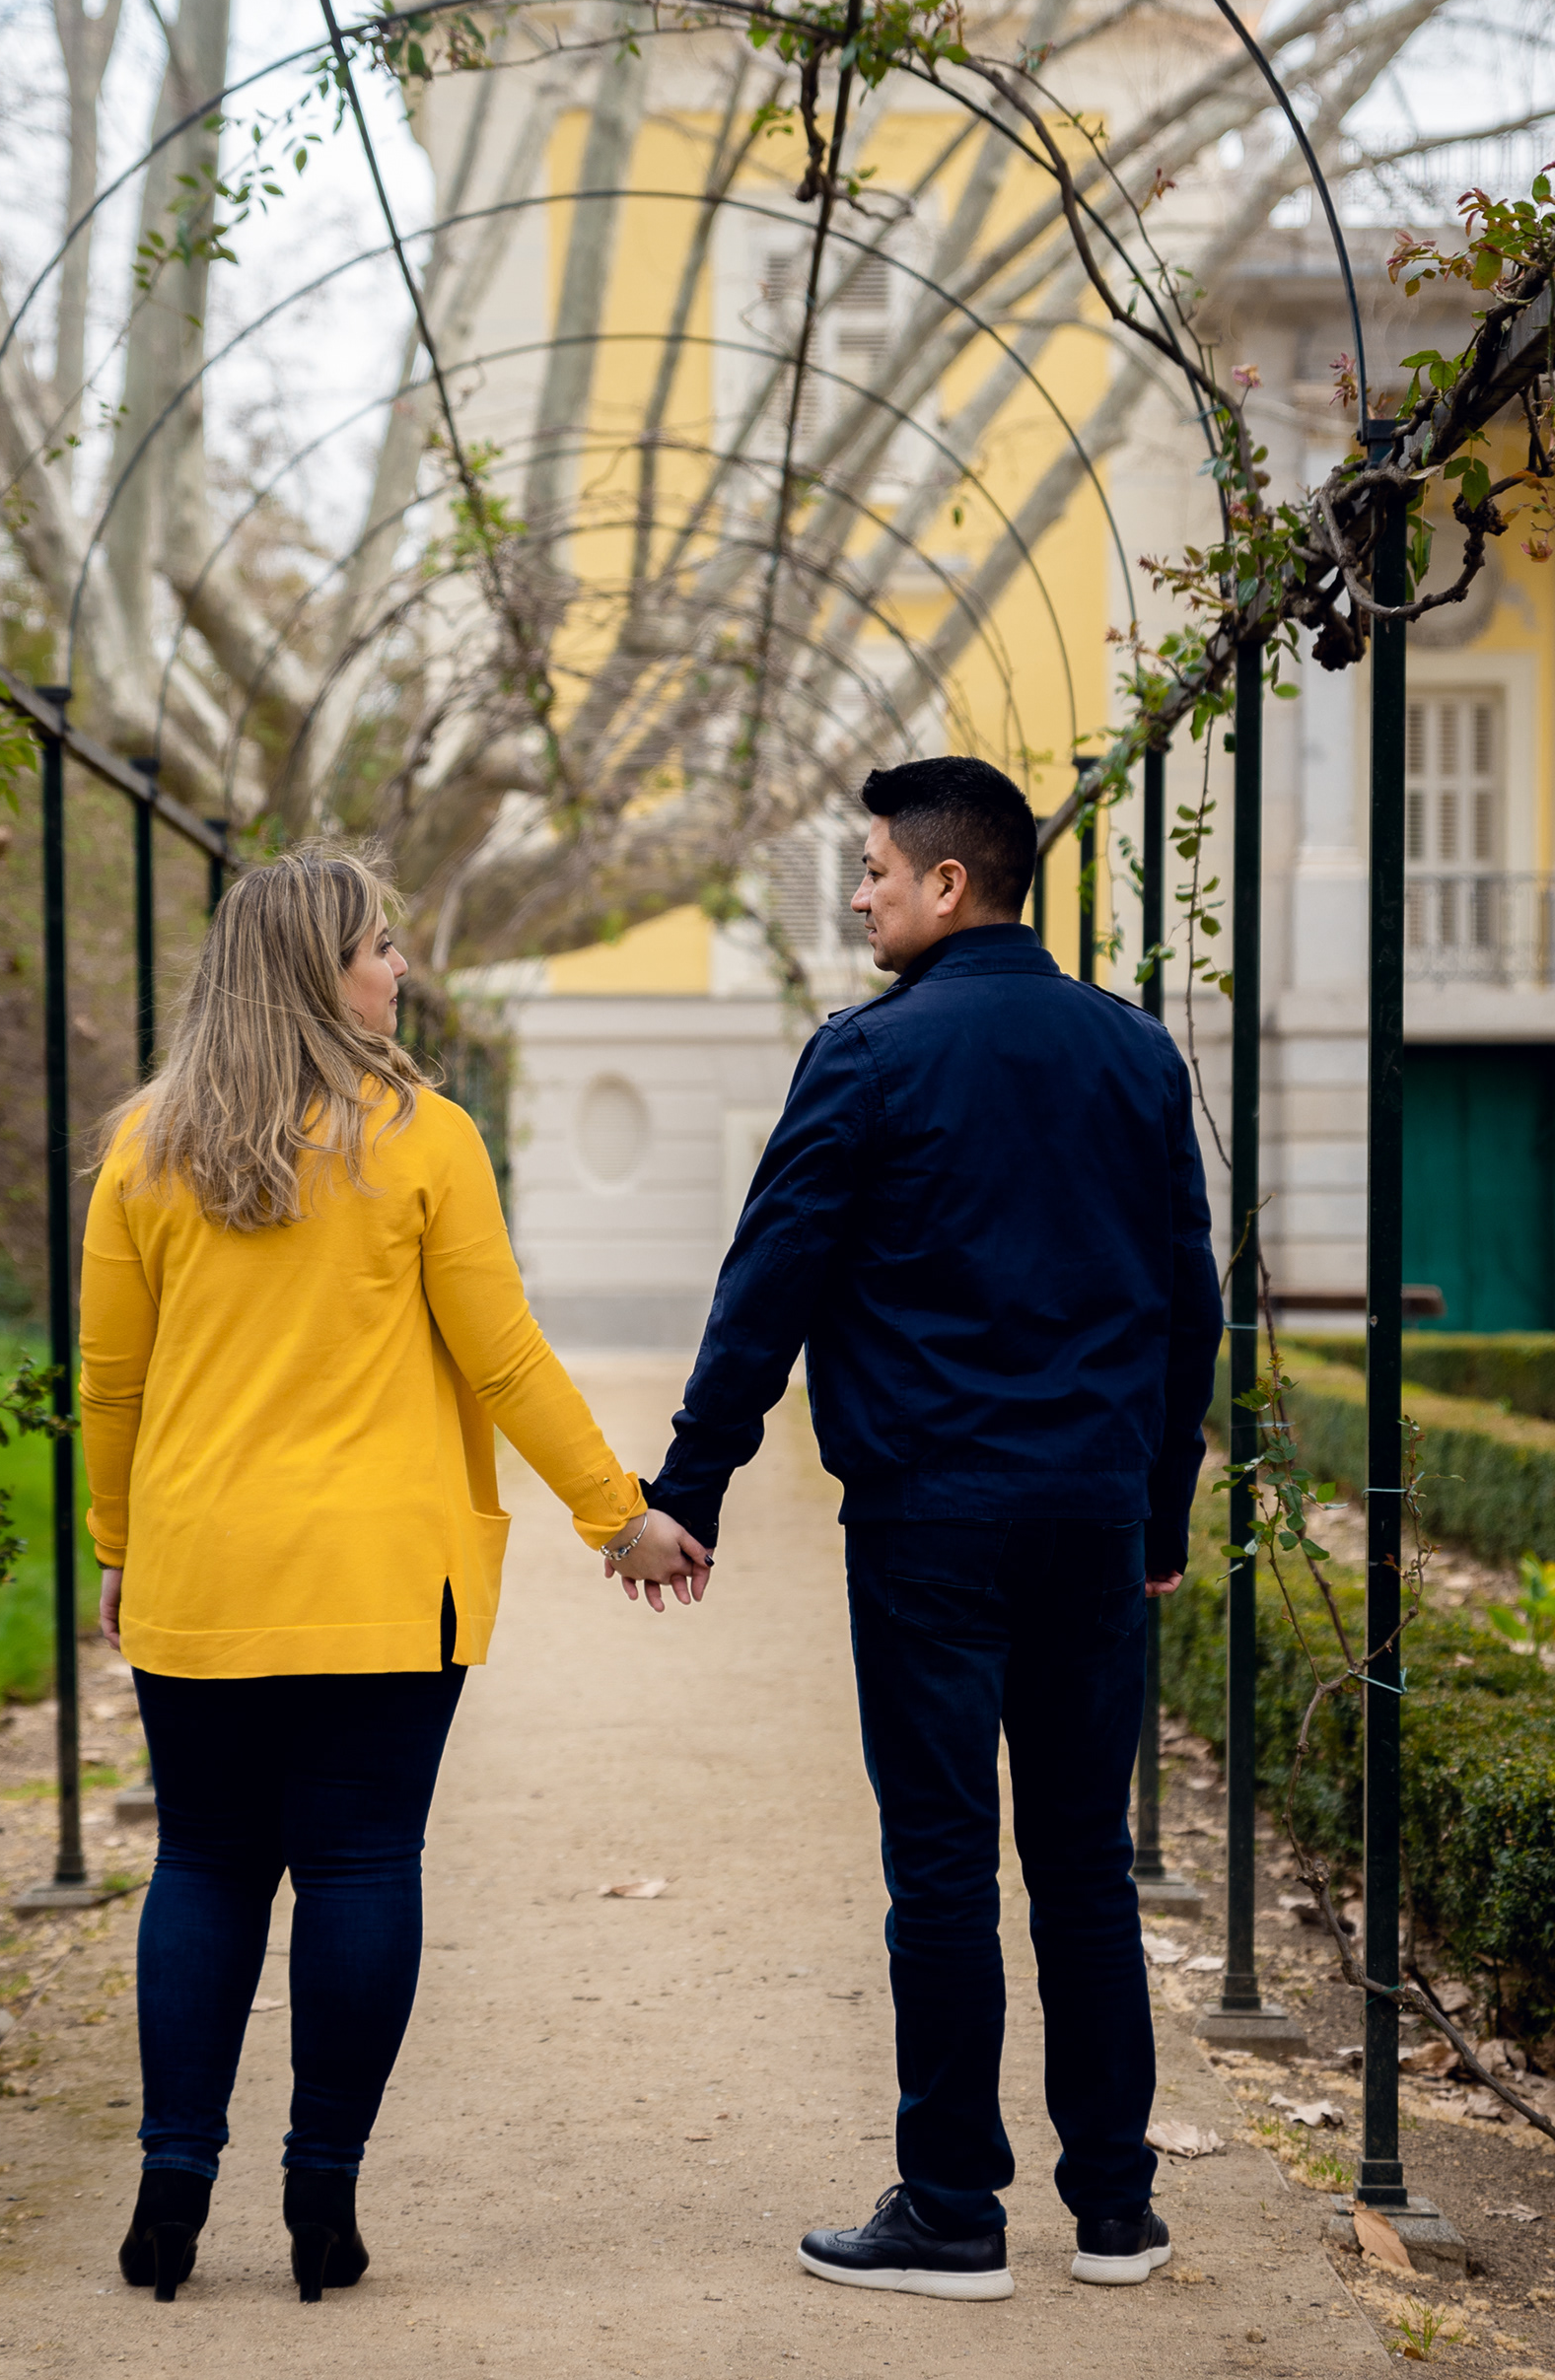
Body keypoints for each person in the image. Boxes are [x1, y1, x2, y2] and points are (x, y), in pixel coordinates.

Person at [80, 845, 709, 2306]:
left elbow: (110, 1383)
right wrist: (620, 1515)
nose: (397, 968)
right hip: (383, 1586)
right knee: (361, 1863)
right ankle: (322, 2197)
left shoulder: (146, 1147)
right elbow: (502, 1358)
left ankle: (173, 2186)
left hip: (203, 1575)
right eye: (376, 946)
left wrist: (120, 1544)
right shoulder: (423, 1137)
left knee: (206, 1861)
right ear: (317, 966)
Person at [642, 755, 1223, 2303]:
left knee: (945, 1864)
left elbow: (767, 1287)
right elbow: (1191, 1303)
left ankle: (954, 2207)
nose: (859, 893)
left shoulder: (867, 1056)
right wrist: (1158, 1505)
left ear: (947, 884)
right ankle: (1116, 2212)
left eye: (876, 870)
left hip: (931, 1522)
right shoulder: (1137, 1055)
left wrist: (687, 1489)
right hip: (1092, 1518)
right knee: (1086, 1862)